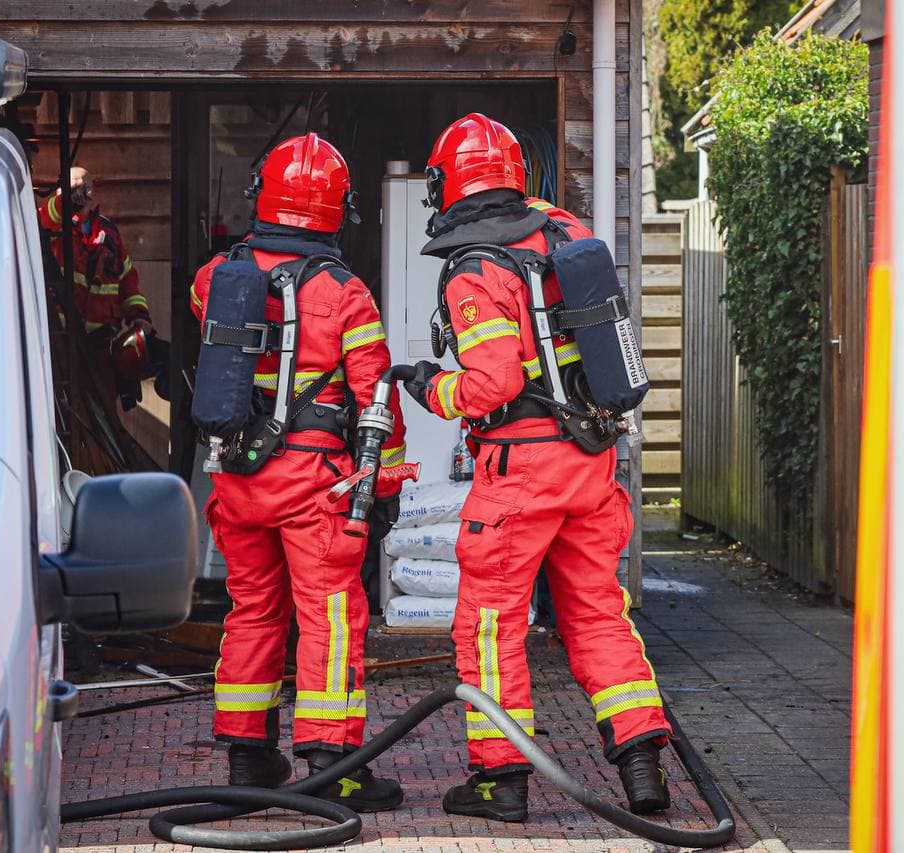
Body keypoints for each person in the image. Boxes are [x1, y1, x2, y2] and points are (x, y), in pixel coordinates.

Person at [402, 113, 671, 822]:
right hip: (590, 460)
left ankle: (501, 780)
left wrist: (433, 388)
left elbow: (490, 383)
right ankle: (642, 764)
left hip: (520, 472)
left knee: (490, 626)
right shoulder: (565, 233)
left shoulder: (475, 268)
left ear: (447, 184)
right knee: (597, 612)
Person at [189, 133, 409, 812]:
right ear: (338, 209)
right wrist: (384, 486)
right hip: (316, 484)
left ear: (262, 195)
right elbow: (377, 399)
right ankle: (332, 766)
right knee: (330, 617)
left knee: (253, 609)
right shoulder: (345, 294)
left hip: (237, 480)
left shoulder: (214, 278)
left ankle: (248, 757)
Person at [38, 166, 157, 409]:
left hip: (100, 347)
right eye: (73, 187)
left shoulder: (109, 233)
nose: (79, 192)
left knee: (103, 412)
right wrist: (65, 202)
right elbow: (46, 217)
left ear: (93, 191)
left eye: (84, 186)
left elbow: (127, 279)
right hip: (58, 342)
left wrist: (139, 316)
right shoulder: (48, 225)